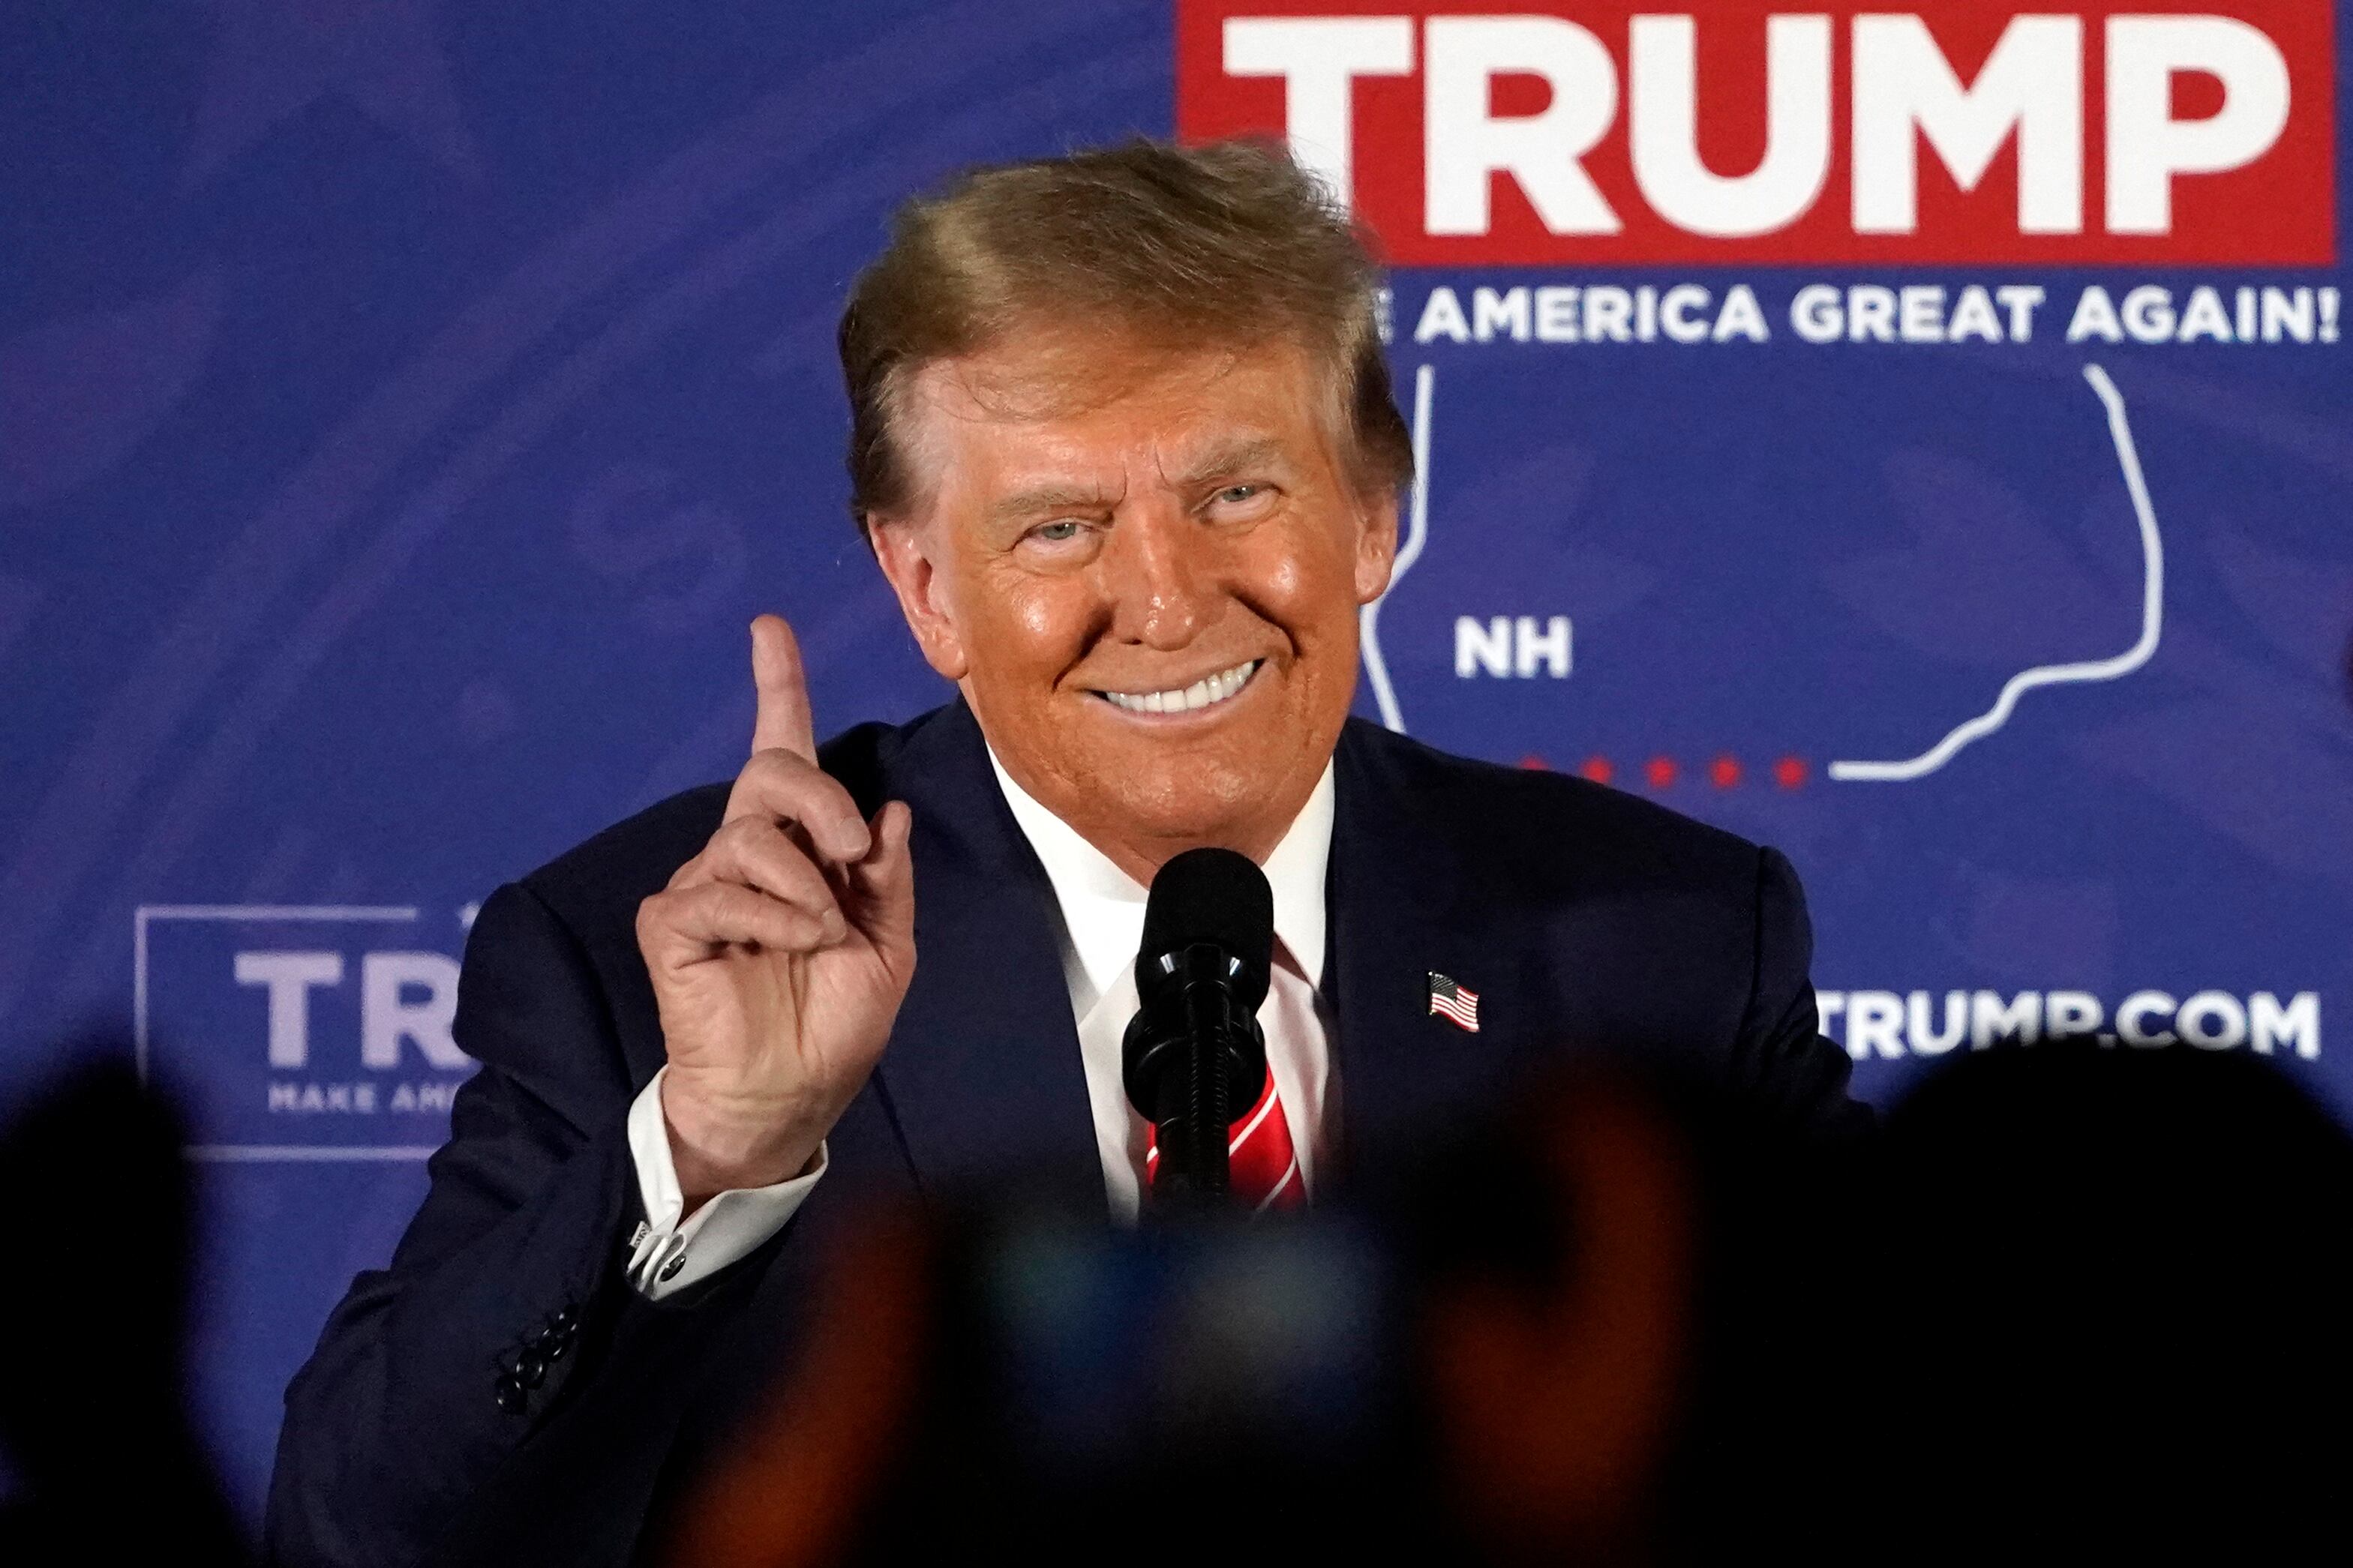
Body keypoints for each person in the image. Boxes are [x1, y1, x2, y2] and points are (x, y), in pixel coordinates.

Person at [266, 138, 1866, 1568]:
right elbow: (358, 1534)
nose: (1165, 602)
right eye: (1059, 527)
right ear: (924, 589)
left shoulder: (1663, 945)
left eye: (1237, 492)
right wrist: (711, 1149)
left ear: (1373, 514)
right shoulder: (654, 963)